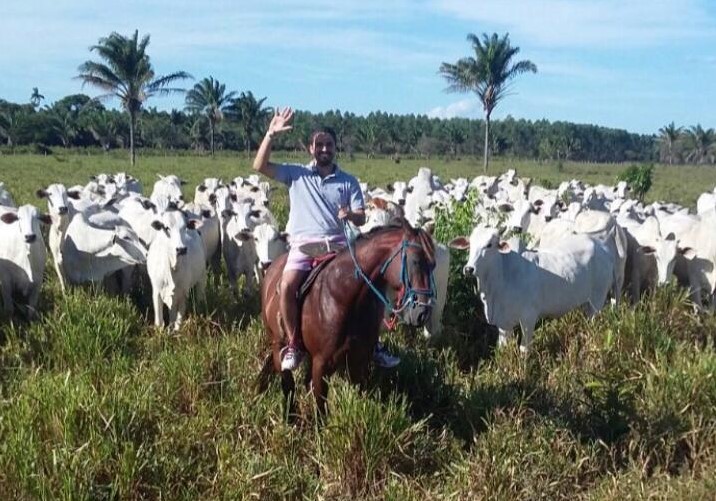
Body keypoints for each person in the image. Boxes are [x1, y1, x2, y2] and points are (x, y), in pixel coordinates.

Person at [252, 107, 400, 371]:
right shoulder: (296, 174)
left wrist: (350, 215)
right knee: (287, 286)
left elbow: (362, 217)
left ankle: (374, 344)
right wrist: (270, 134)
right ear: (310, 148)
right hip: (304, 247)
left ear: (335, 148)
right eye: (318, 145)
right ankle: (294, 343)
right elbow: (259, 166)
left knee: (372, 287)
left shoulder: (348, 181)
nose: (324, 149)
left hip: (339, 249)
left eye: (328, 145)